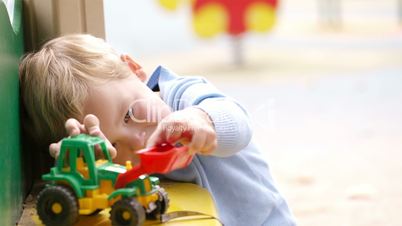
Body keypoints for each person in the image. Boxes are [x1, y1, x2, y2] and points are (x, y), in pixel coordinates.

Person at [19, 34, 296, 226]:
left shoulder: (183, 96)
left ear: (134, 69)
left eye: (130, 114)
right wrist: (94, 158)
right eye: (115, 142)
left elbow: (238, 123)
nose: (138, 143)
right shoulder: (125, 167)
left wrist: (201, 120)